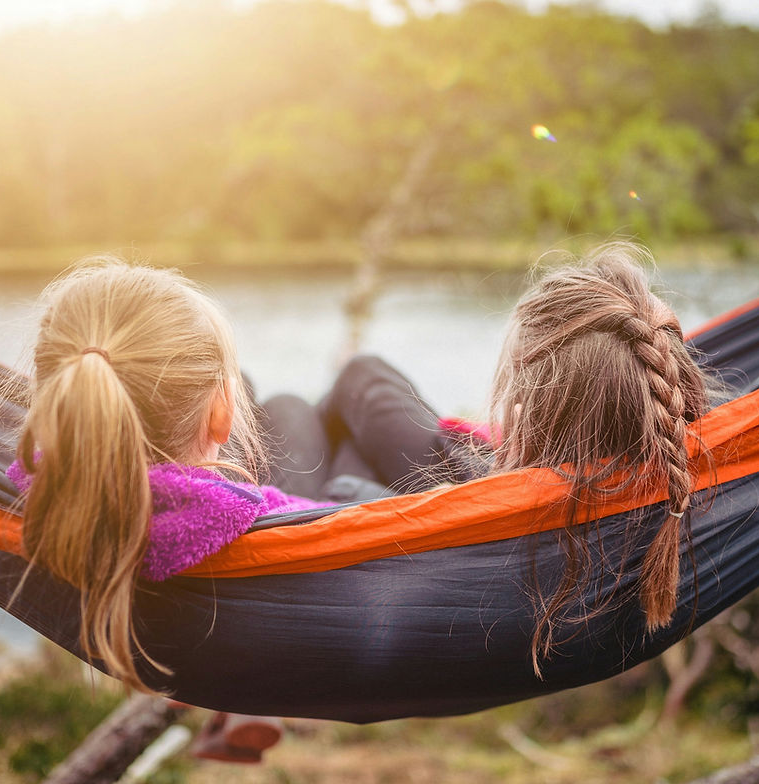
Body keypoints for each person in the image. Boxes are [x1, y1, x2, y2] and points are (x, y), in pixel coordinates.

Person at [273, 241, 714, 673]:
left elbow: (346, 494)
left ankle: (262, 684)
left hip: (459, 499)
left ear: (522, 416)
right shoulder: (701, 469)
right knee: (345, 410)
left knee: (301, 403)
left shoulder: (500, 521)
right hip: (498, 486)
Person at [7, 257, 323, 761]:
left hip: (212, 607)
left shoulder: (44, 492)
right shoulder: (245, 511)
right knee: (333, 393)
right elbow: (337, 521)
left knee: (274, 402)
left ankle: (243, 708)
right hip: (330, 520)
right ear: (221, 416)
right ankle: (246, 704)